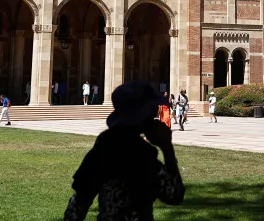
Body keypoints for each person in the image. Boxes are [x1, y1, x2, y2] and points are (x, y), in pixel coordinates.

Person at [63, 81, 185, 220]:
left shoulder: (104, 148)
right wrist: (167, 148)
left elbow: (78, 204)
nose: (155, 114)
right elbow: (175, 195)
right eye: (152, 110)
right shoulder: (143, 155)